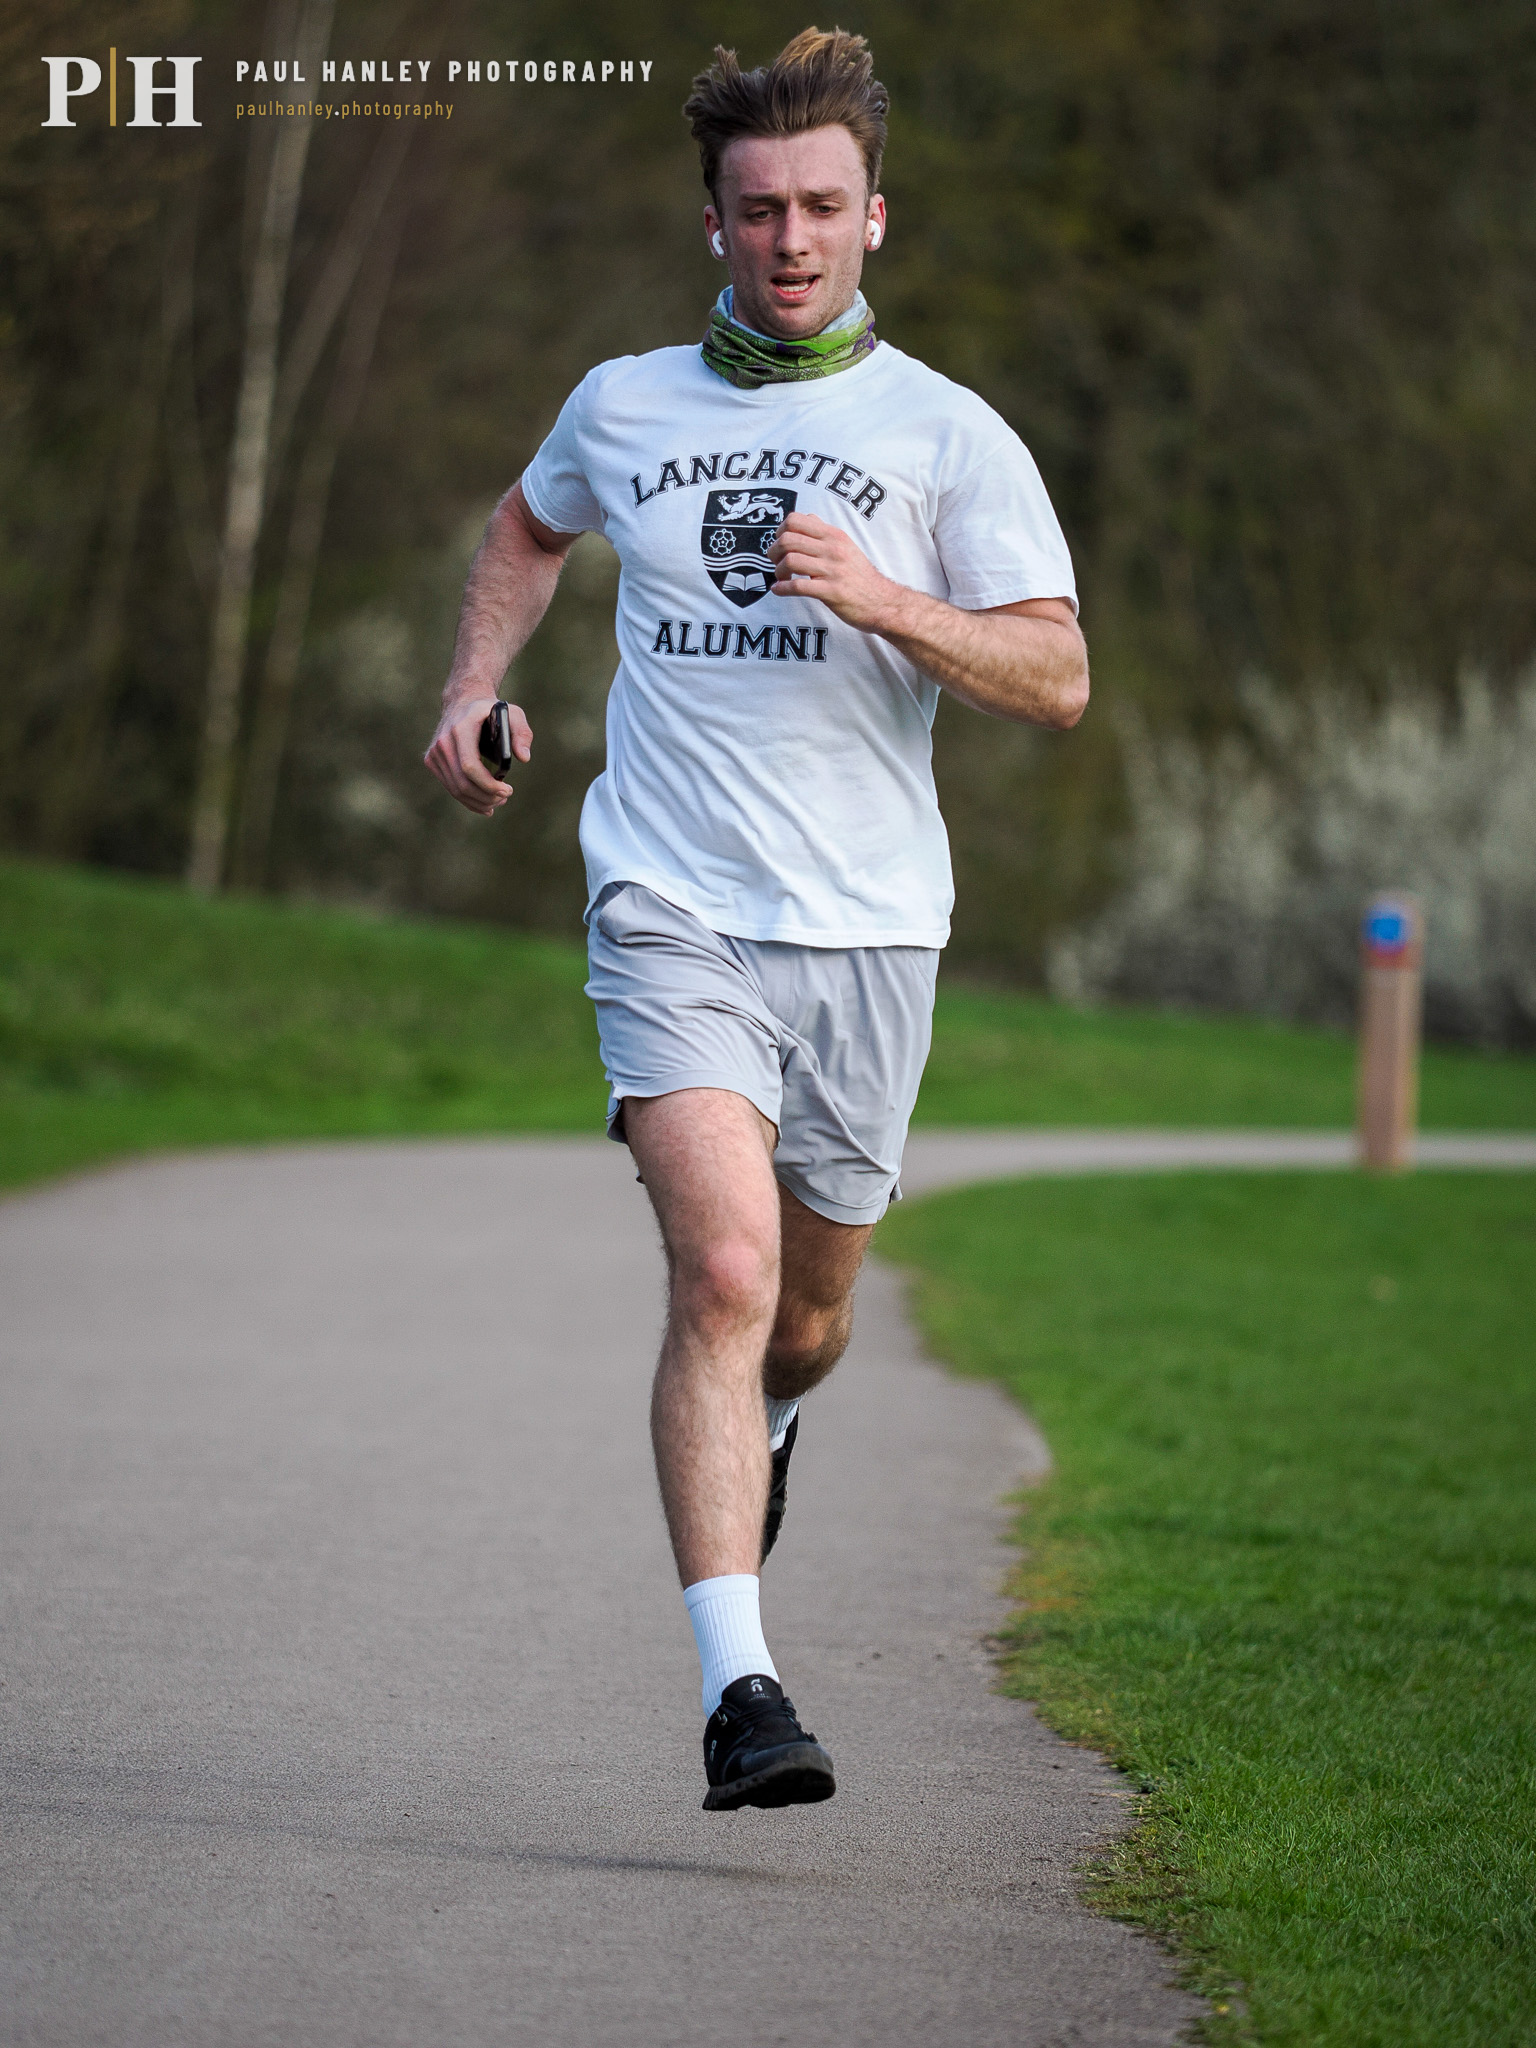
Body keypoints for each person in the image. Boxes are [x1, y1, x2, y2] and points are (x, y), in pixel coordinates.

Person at [424, 26, 1087, 1813]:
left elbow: (1059, 675)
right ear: (711, 221)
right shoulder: (625, 400)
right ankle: (743, 1693)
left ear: (878, 217)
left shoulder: (949, 436)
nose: (788, 239)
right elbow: (525, 527)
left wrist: (886, 601)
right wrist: (472, 687)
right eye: (755, 209)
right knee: (719, 1271)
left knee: (802, 1323)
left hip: (872, 929)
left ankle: (777, 1423)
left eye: (820, 207)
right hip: (670, 901)